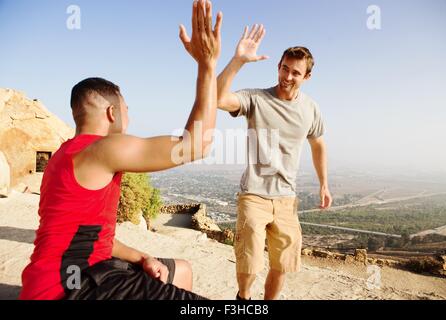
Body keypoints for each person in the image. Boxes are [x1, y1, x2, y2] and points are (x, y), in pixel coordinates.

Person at [19, 0, 222, 300]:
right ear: (112, 113)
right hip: (71, 288)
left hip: (66, 275)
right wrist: (207, 65)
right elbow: (197, 145)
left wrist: (142, 257)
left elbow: (94, 236)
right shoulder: (104, 148)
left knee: (181, 270)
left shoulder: (62, 158)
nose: (131, 117)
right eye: (128, 109)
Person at [217, 24, 333, 300]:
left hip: (286, 199)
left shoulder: (311, 108)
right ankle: (244, 299)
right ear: (278, 66)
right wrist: (238, 61)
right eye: (284, 68)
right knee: (249, 261)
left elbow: (318, 145)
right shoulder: (256, 98)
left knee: (282, 264)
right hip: (253, 196)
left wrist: (324, 185)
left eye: (295, 72)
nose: (287, 76)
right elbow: (218, 98)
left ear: (307, 76)